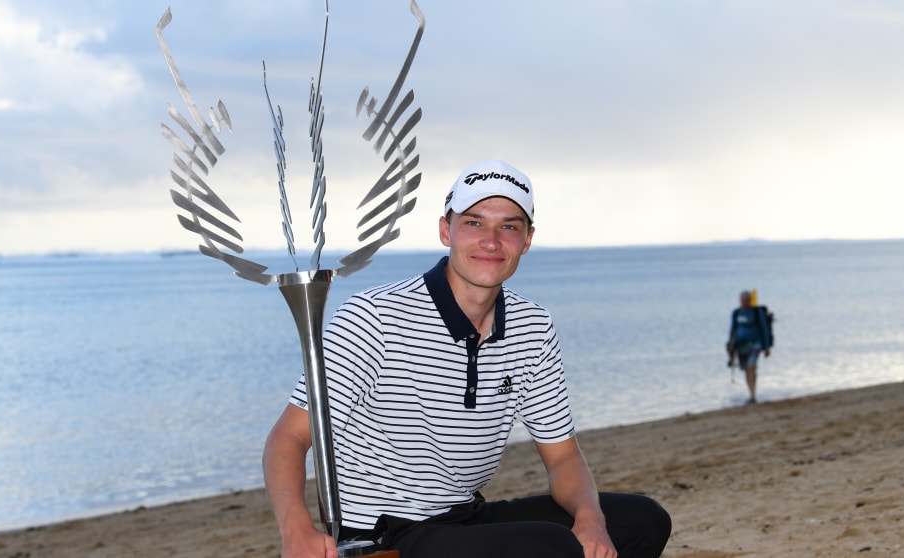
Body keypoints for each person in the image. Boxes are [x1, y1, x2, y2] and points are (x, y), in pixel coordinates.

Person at [263, 160, 671, 558]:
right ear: (446, 230)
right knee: (551, 547)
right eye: (474, 222)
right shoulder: (375, 317)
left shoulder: (533, 325)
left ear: (526, 240)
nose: (491, 241)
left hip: (464, 517)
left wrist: (590, 518)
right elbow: (290, 437)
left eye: (508, 226)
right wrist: (296, 528)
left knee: (642, 520)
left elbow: (563, 456)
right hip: (384, 532)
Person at [727, 290, 772, 404]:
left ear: (750, 300)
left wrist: (767, 347)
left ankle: (753, 395)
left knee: (751, 366)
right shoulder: (736, 313)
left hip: (755, 344)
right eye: (741, 300)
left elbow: (764, 329)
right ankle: (751, 394)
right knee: (747, 370)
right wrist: (730, 347)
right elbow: (733, 330)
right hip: (741, 346)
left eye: (745, 300)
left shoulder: (756, 312)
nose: (743, 302)